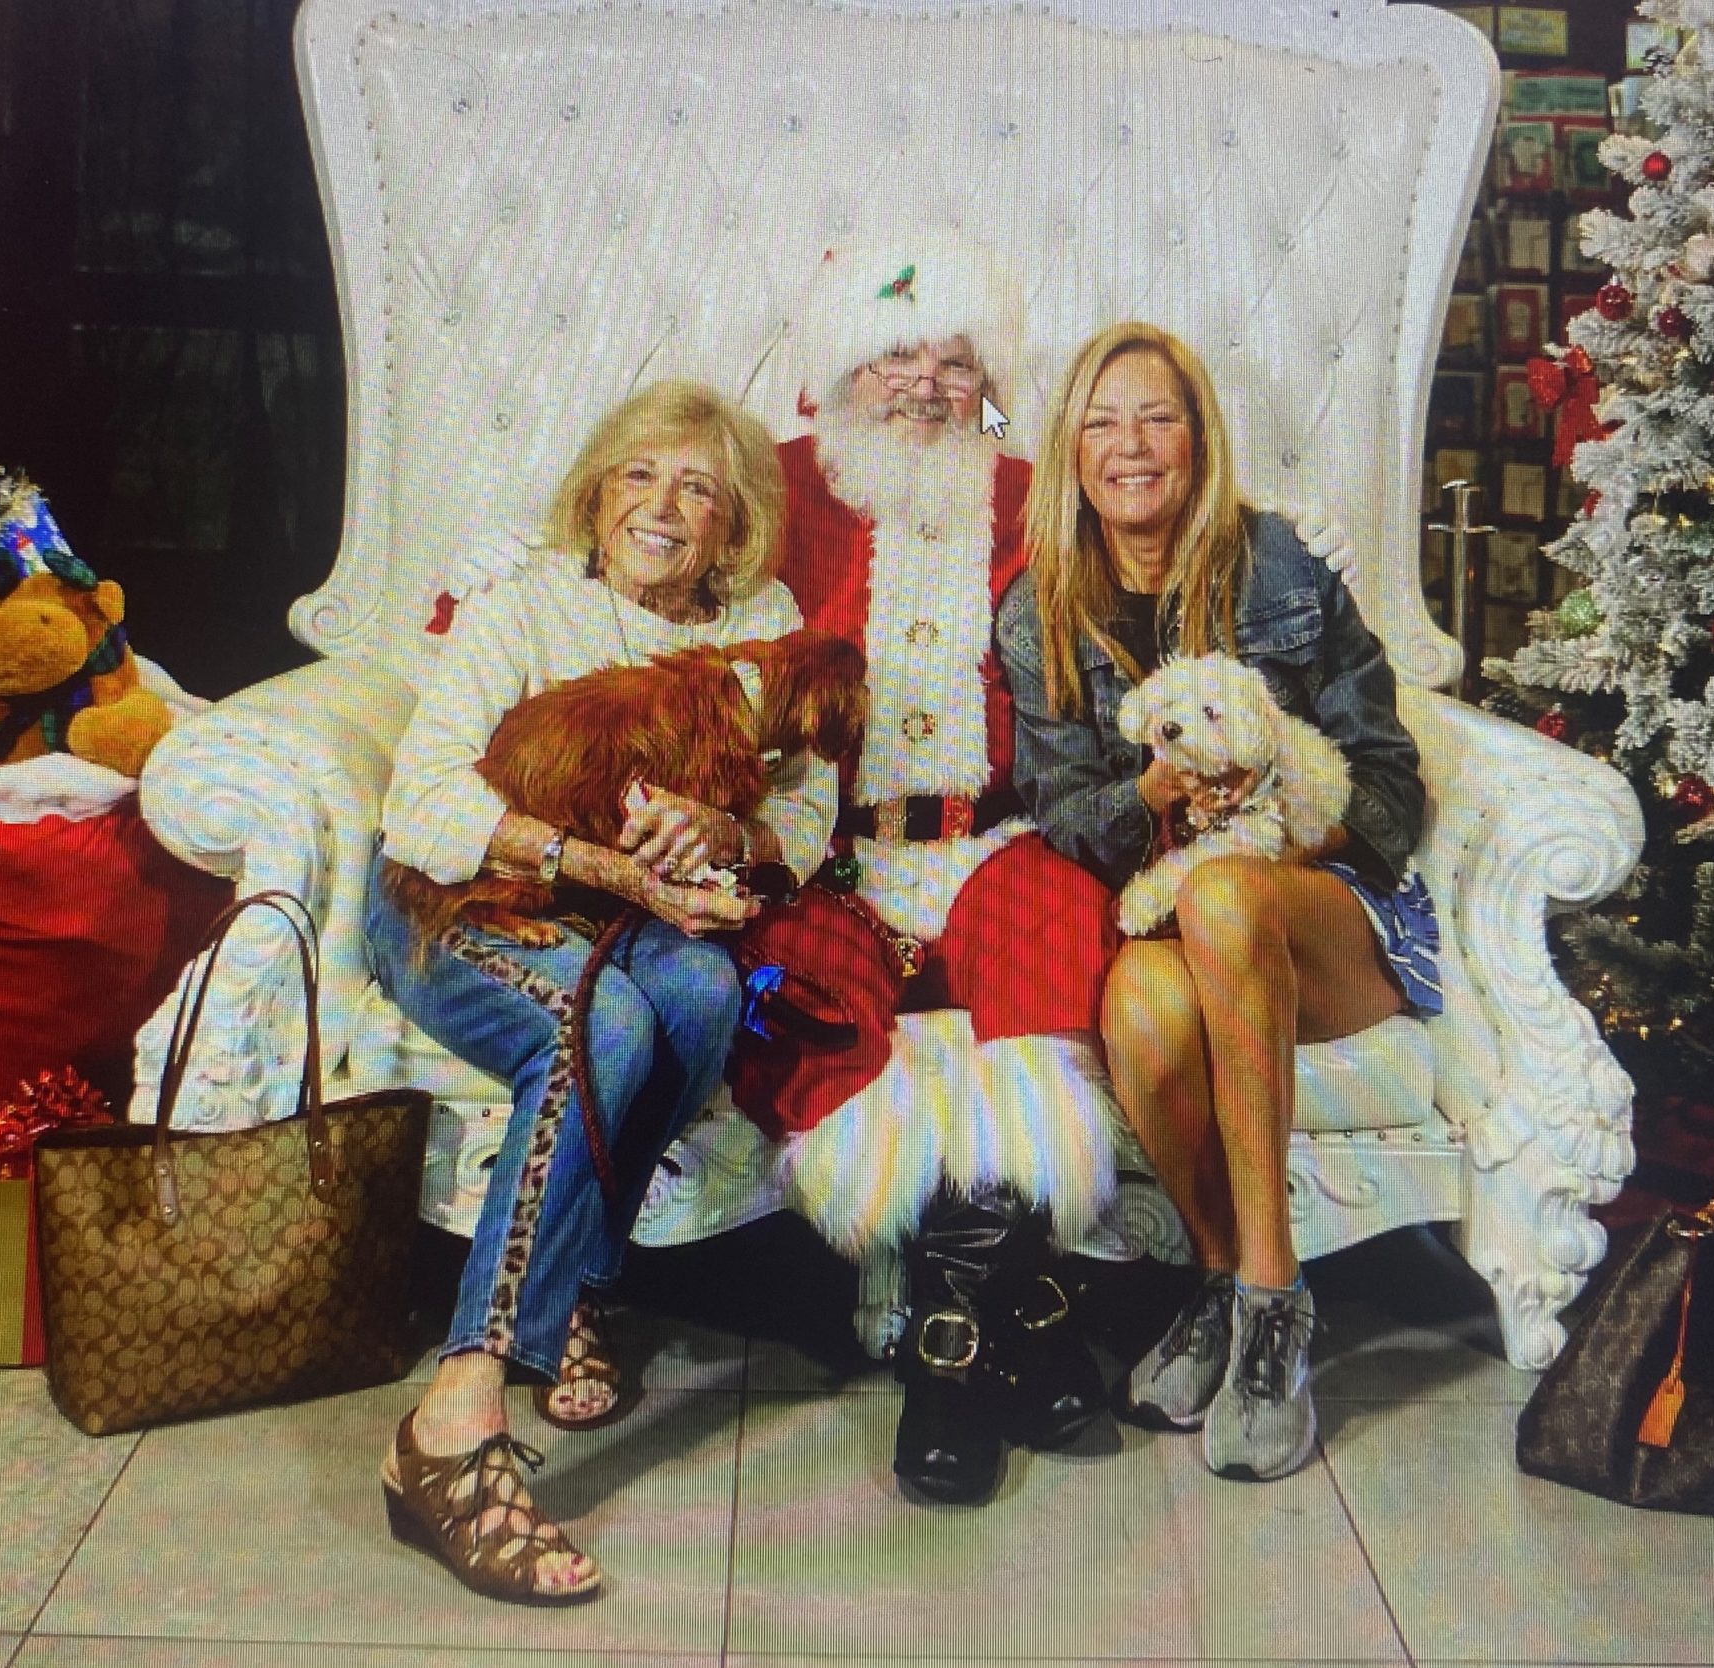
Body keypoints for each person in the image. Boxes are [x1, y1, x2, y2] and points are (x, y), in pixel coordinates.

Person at [367, 380, 836, 1603]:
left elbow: (803, 809)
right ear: (595, 491)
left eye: (696, 486)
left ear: (731, 523)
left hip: (629, 916)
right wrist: (599, 861)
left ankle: (570, 1283)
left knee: (695, 998)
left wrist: (721, 840)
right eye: (639, 476)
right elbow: (418, 809)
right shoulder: (524, 609)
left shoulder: (765, 622)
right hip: (453, 901)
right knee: (607, 1019)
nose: (662, 506)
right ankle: (452, 1427)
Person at [995, 322, 1439, 1483]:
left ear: (1197, 438)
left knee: (1231, 898)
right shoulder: (1037, 611)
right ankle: (1222, 1283)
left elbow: (1389, 778)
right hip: (1171, 913)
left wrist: (1291, 809)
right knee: (1140, 1000)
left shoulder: (1281, 565)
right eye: (1101, 422)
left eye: (1155, 417)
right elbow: (1061, 816)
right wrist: (1149, 789)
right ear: (1070, 452)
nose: (1129, 446)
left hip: (1323, 916)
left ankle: (1275, 1300)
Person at [723, 231, 1123, 1504]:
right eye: (895, 352)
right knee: (792, 1003)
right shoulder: (775, 491)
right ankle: (1027, 1318)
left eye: (956, 361)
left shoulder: (1036, 497)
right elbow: (640, 567)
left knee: (1054, 966)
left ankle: (952, 1358)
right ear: (842, 371)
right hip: (824, 858)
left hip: (1000, 844)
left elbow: (1163, 575)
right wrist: (502, 574)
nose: (925, 382)